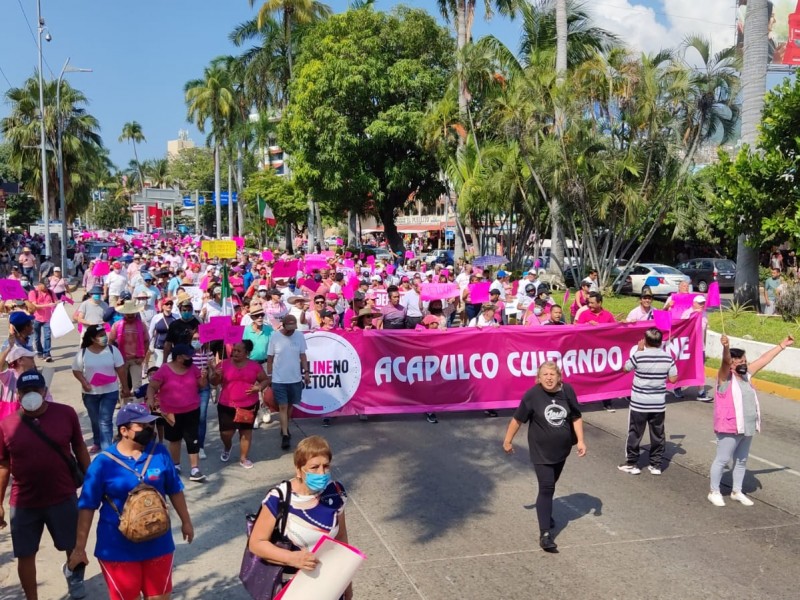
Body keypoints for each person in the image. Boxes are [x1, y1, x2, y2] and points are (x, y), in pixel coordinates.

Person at [68, 403, 194, 600]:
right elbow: (87, 506)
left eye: (150, 425)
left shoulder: (159, 453)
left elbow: (175, 489)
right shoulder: (102, 463)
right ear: (124, 431)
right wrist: (79, 548)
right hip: (117, 548)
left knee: (160, 597)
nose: (148, 430)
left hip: (158, 543)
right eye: (141, 426)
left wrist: (186, 521)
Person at [0, 369, 90, 600]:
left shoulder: (66, 414)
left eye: (36, 390)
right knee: (25, 554)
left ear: (45, 391)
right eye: (25, 391)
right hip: (24, 502)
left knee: (74, 546)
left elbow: (79, 447)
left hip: (62, 495)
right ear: (18, 395)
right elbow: (3, 466)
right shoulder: (6, 425)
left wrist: (92, 482)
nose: (31, 395)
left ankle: (75, 580)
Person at [247, 435, 352, 600]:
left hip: (329, 584)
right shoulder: (280, 497)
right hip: (292, 586)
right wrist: (292, 558)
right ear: (299, 470)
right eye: (314, 467)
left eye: (326, 466)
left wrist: (346, 581)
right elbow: (256, 543)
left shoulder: (336, 492)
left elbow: (341, 539)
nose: (321, 472)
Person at [503, 362, 586, 553]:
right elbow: (517, 419)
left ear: (559, 377)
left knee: (551, 484)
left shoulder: (568, 391)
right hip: (540, 450)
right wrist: (508, 441)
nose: (548, 378)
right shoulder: (533, 395)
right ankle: (545, 535)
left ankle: (545, 511)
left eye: (552, 374)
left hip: (562, 450)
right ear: (538, 378)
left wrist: (581, 440)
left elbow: (576, 416)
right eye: (544, 374)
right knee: (547, 487)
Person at [707, 333, 794, 507]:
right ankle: (714, 491)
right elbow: (725, 362)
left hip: (747, 426)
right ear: (731, 365)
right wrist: (725, 347)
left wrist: (782, 345)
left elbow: (764, 359)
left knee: (741, 460)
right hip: (729, 427)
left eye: (744, 361)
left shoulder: (747, 375)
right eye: (738, 362)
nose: (743, 365)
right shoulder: (724, 379)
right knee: (723, 459)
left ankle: (736, 491)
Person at [618, 328, 678, 476]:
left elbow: (625, 369)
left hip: (639, 404)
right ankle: (656, 465)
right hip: (658, 404)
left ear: (645, 341)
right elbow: (673, 379)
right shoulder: (668, 358)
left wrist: (638, 351)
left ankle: (632, 463)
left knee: (635, 433)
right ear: (659, 342)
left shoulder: (639, 356)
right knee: (658, 434)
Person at [147, 344, 207, 482]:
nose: (191, 358)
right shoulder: (164, 370)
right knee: (174, 439)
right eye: (188, 355)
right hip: (171, 412)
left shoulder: (193, 368)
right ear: (179, 357)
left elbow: (201, 385)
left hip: (192, 409)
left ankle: (195, 469)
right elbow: (152, 386)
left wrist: (204, 377)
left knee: (193, 438)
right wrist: (150, 399)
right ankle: (176, 465)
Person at [211, 339, 270, 468]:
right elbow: (214, 383)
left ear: (247, 353)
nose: (235, 353)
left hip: (248, 404)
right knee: (226, 433)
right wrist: (215, 375)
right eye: (234, 350)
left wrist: (258, 387)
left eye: (239, 351)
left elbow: (265, 380)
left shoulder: (254, 366)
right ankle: (227, 446)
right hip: (226, 404)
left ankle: (243, 458)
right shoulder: (223, 364)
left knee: (245, 431)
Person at [71, 324, 130, 453]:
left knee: (105, 420)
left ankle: (107, 449)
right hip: (90, 393)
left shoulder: (113, 350)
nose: (104, 337)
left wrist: (125, 387)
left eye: (105, 334)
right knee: (95, 419)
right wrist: (84, 382)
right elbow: (76, 370)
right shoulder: (83, 353)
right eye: (101, 335)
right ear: (92, 339)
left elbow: (120, 369)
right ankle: (98, 441)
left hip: (110, 392)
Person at [266, 315, 310, 450]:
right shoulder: (275, 336)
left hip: (295, 378)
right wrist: (269, 375)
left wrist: (306, 372)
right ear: (283, 325)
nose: (291, 331)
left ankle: (284, 427)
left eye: (293, 328)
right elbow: (270, 358)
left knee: (290, 405)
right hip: (279, 379)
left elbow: (303, 355)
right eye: (289, 328)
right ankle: (285, 435)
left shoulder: (299, 336)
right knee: (283, 407)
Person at [108, 300, 150, 399]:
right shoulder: (117, 325)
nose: (130, 315)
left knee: (137, 386)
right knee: (122, 385)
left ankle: (138, 408)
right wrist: (114, 358)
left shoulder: (141, 325)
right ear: (124, 313)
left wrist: (142, 357)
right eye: (128, 313)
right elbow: (110, 341)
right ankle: (124, 407)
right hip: (121, 360)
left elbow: (146, 341)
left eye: (132, 313)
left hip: (136, 359)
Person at [148, 298, 176, 368]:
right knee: (159, 367)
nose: (169, 305)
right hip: (159, 347)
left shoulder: (176, 317)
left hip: (172, 348)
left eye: (171, 304)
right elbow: (151, 332)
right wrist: (148, 345)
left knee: (170, 368)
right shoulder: (157, 317)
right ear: (163, 306)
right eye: (167, 304)